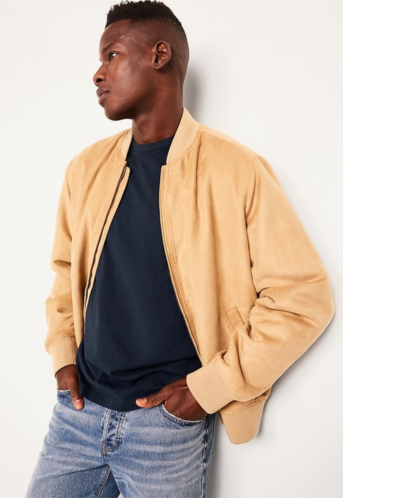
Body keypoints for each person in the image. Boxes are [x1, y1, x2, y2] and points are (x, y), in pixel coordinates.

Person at [25, 1, 335, 497]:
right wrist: (63, 358)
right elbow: (66, 272)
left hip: (166, 429)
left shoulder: (237, 170)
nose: (97, 73)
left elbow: (303, 299)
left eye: (111, 55)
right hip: (77, 416)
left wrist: (208, 390)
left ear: (159, 55)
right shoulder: (85, 169)